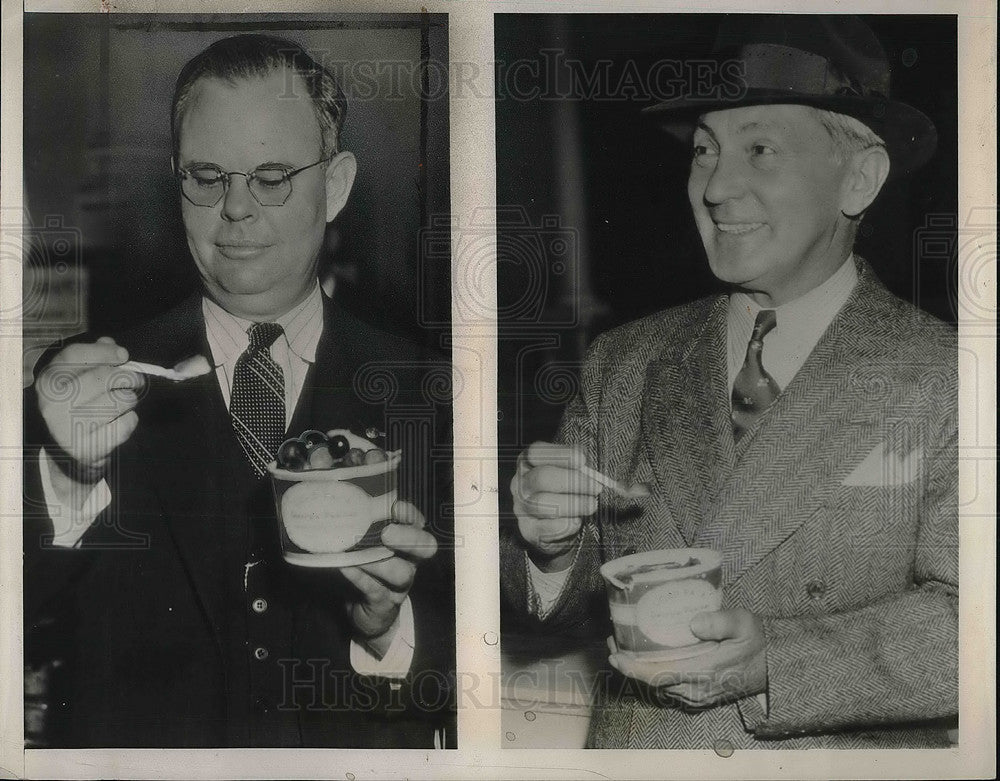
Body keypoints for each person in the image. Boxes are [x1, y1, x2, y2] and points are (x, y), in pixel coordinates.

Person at [504, 15, 957, 749]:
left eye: (760, 149)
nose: (716, 186)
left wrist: (776, 661)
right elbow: (555, 607)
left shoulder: (944, 378)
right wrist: (550, 549)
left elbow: (973, 626)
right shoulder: (625, 360)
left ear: (861, 176)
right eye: (705, 151)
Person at [24, 34, 453, 748]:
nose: (236, 209)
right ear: (177, 182)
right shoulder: (85, 386)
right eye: (206, 175)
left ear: (337, 185)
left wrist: (388, 629)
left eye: (273, 175)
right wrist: (67, 475)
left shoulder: (432, 392)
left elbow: (480, 669)